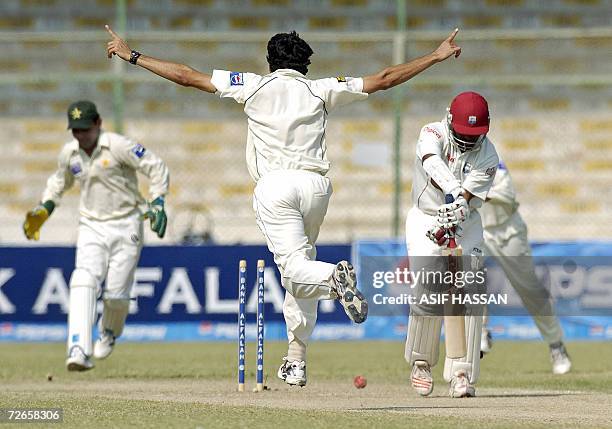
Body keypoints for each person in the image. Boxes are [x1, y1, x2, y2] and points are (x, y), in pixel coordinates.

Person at [105, 25, 461, 386]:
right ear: (305, 64)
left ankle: (333, 278)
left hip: (275, 187)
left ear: (270, 61)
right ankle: (296, 357)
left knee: (295, 271)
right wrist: (435, 55)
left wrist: (132, 56)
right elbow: (383, 79)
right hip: (316, 188)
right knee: (302, 265)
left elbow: (186, 76)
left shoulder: (252, 84)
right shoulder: (321, 88)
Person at [23, 100, 169, 371]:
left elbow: (156, 166)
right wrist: (45, 208)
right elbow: (59, 182)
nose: (81, 136)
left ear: (98, 123)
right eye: (76, 131)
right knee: (83, 279)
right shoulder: (70, 153)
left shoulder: (118, 146)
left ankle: (109, 332)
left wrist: (158, 201)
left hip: (127, 224)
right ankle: (78, 347)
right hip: (91, 225)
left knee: (115, 295)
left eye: (85, 130)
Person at [405, 91, 499, 397]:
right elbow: (431, 162)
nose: (468, 141)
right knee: (429, 286)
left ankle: (461, 373)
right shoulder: (431, 132)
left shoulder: (488, 155)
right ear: (449, 119)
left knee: (470, 291)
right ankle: (421, 362)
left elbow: (470, 199)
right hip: (425, 218)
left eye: (475, 135)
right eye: (463, 133)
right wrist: (456, 191)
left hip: (466, 221)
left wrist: (461, 205)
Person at [480, 157, 572, 374]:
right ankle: (481, 331)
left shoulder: (493, 162)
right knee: (469, 279)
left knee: (529, 289)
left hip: (507, 230)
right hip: (477, 231)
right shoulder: (454, 161)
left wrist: (470, 192)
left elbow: (506, 195)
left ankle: (556, 344)